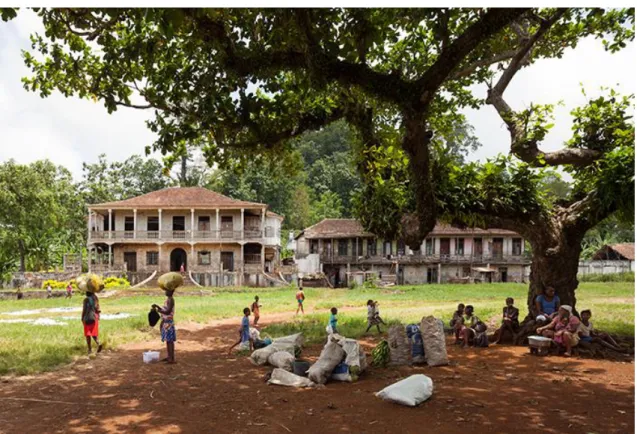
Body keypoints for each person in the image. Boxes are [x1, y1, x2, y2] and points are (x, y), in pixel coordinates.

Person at [152, 287, 176, 363]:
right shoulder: (168, 299)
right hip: (166, 322)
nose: (165, 291)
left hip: (168, 322)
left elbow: (168, 311)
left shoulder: (171, 300)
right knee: (168, 340)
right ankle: (169, 357)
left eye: (167, 290)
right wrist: (158, 307)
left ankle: (171, 359)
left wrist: (159, 310)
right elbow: (165, 309)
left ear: (171, 291)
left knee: (170, 341)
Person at [82, 290, 103, 355]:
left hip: (88, 318)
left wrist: (82, 318)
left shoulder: (86, 300)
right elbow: (98, 309)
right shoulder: (95, 298)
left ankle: (89, 349)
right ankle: (98, 343)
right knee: (93, 333)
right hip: (95, 318)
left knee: (88, 334)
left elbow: (84, 310)